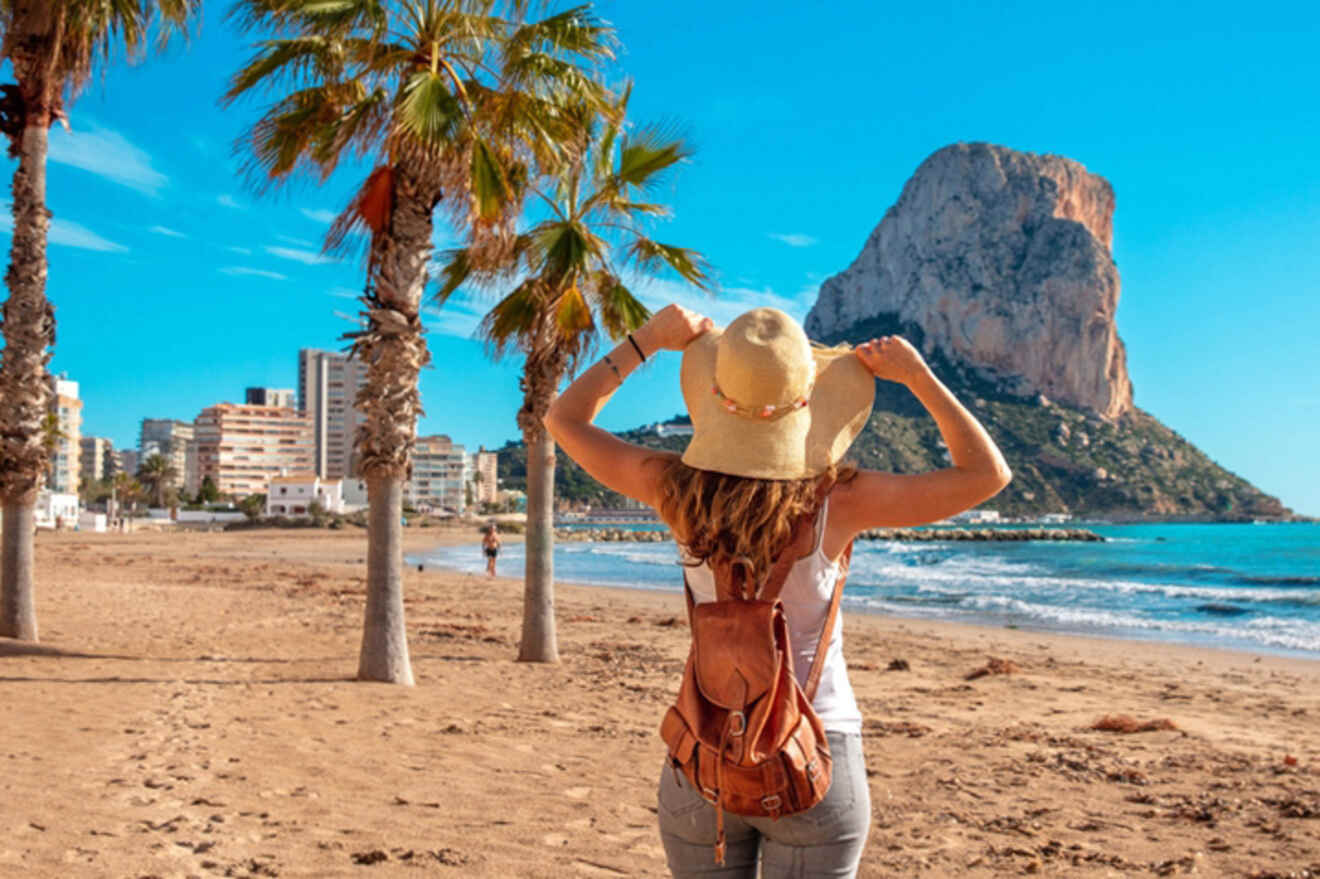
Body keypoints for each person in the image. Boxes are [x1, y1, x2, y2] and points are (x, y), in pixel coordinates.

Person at [543, 304, 1011, 879]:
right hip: (816, 755)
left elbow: (564, 419)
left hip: (704, 752)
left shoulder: (675, 490)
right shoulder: (839, 501)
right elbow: (985, 475)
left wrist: (648, 340)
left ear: (716, 397)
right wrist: (917, 377)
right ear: (807, 403)